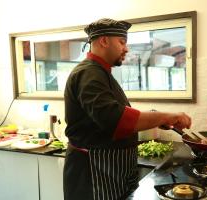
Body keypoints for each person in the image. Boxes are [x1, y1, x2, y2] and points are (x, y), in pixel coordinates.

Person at [63, 18, 191, 200]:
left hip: (110, 170)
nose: (126, 48)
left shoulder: (101, 72)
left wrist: (157, 119)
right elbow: (115, 119)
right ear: (104, 41)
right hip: (95, 173)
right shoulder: (89, 73)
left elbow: (115, 114)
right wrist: (164, 117)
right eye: (122, 42)